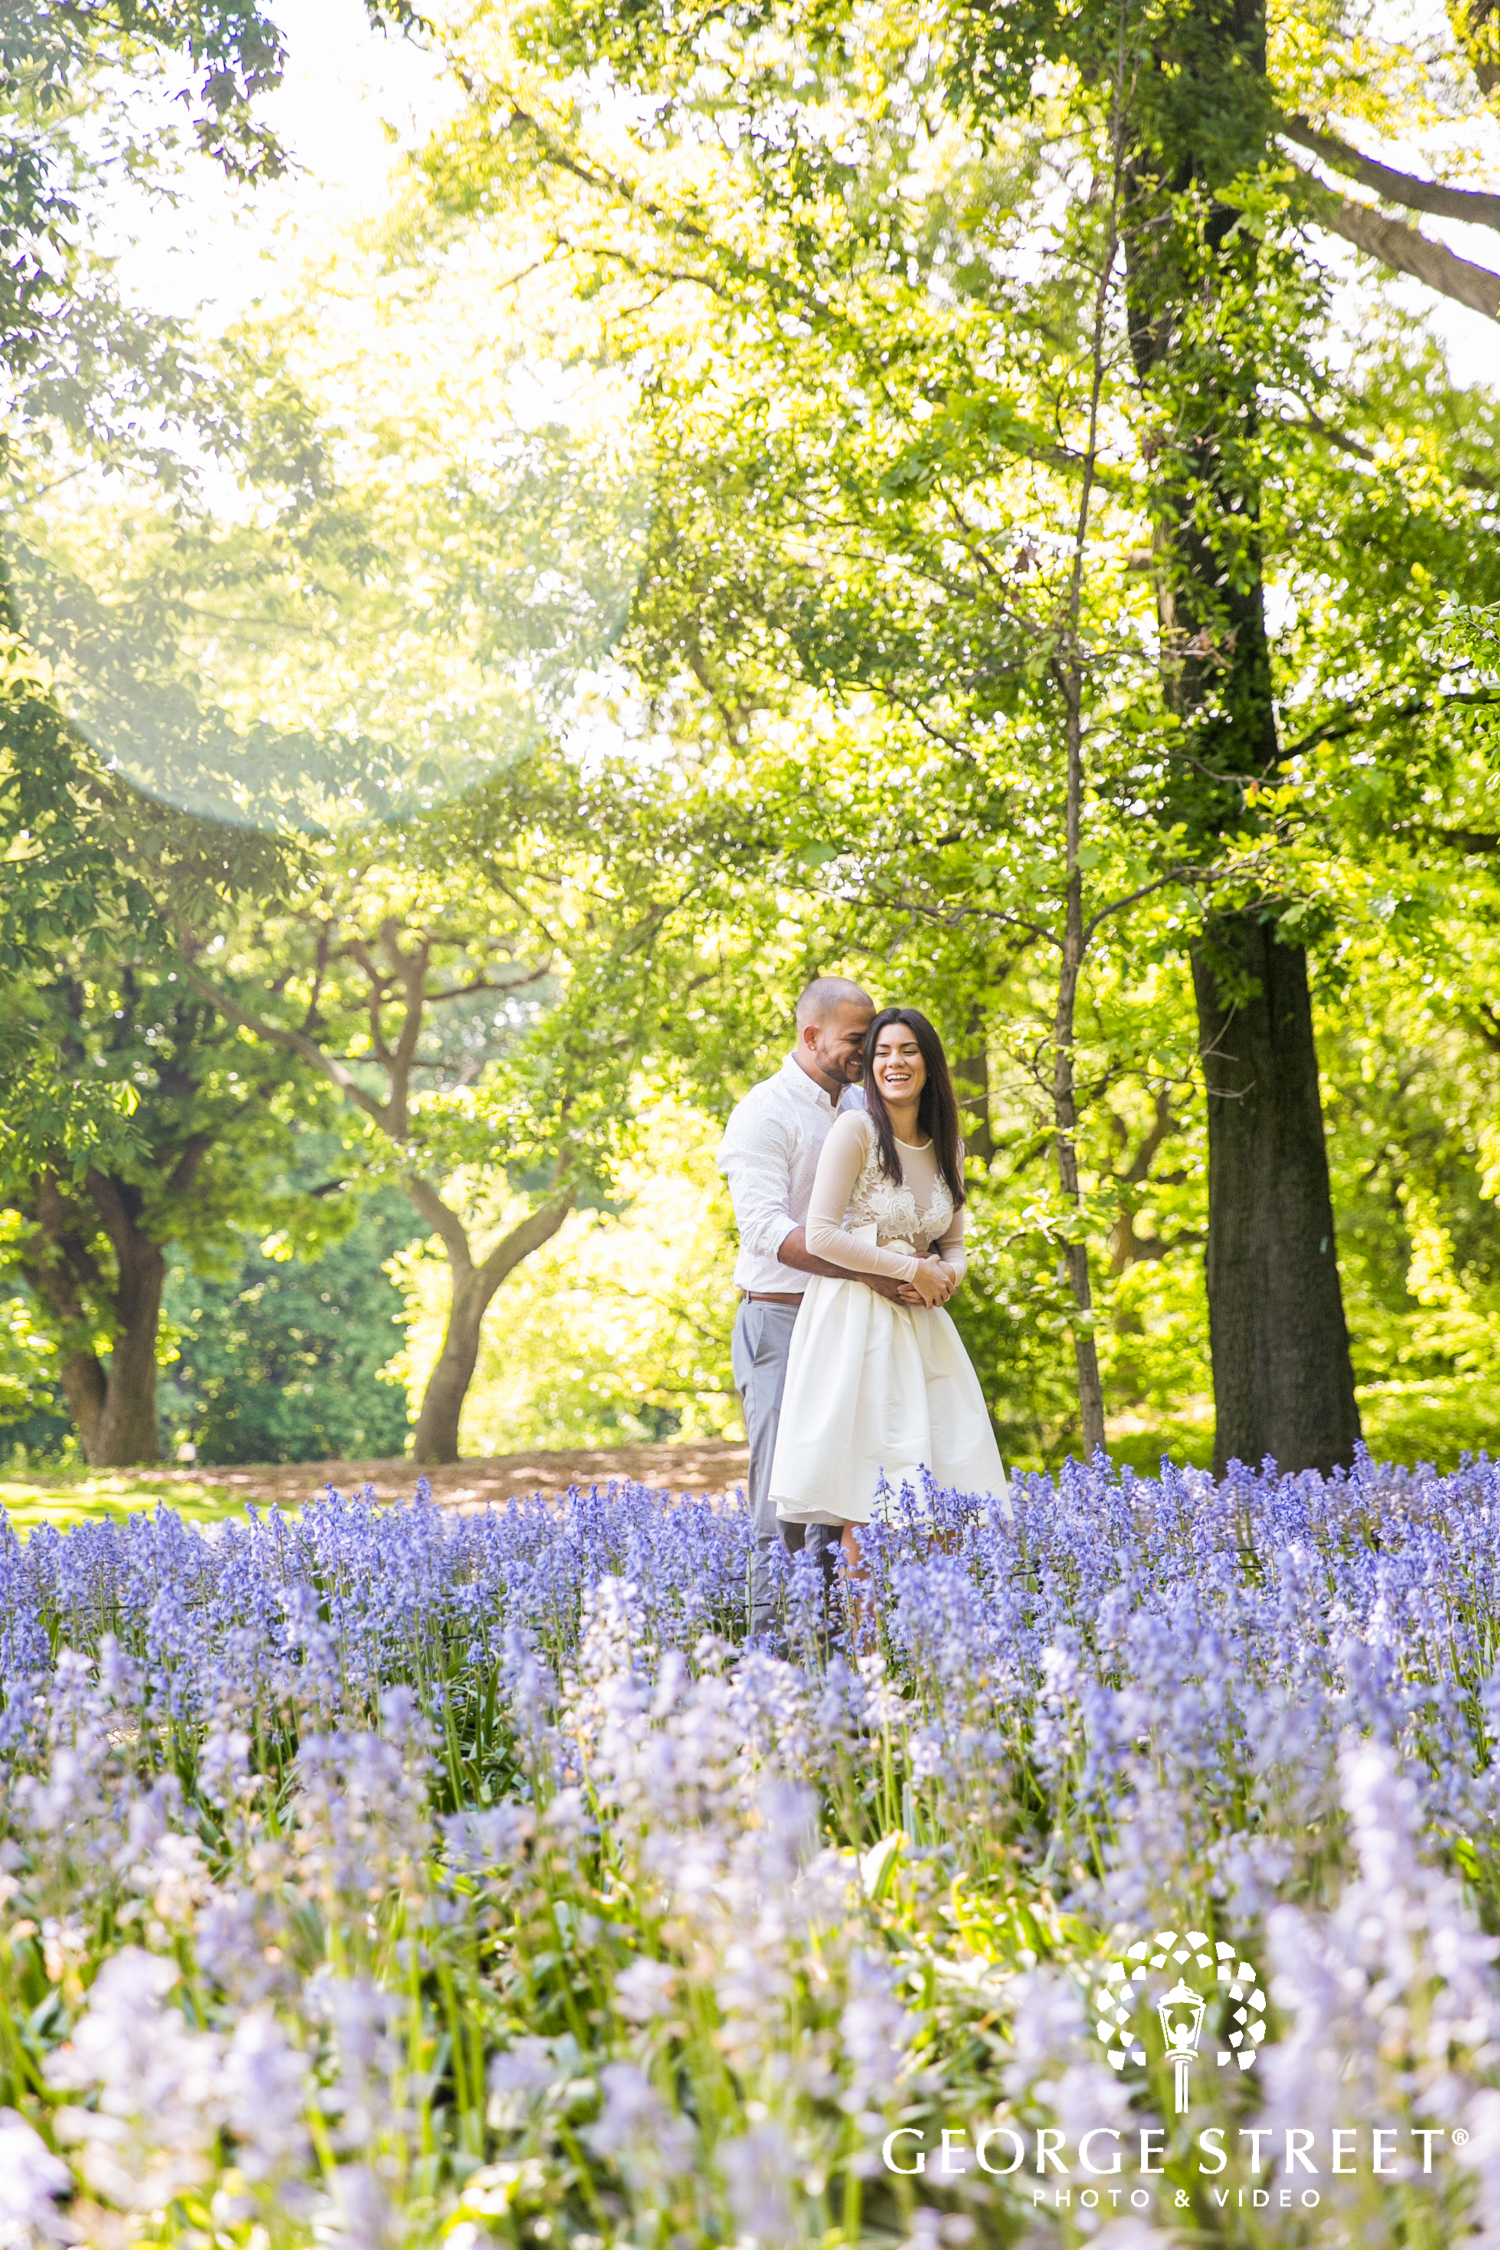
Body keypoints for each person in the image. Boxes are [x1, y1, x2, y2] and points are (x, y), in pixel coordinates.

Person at [770, 1006, 1010, 1586]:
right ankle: (866, 1660)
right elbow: (822, 1233)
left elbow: (953, 1243)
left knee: (947, 1497)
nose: (893, 1062)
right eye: (881, 1052)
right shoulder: (855, 1132)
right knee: (872, 1505)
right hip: (859, 1324)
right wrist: (911, 1268)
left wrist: (948, 1274)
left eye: (907, 1051)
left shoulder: (946, 1145)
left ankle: (927, 1647)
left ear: (929, 1064)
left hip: (925, 1328)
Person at [718, 977, 923, 1637]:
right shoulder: (764, 1112)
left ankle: (832, 1654)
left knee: (844, 1496)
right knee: (784, 1497)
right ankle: (768, 1655)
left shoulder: (865, 1107)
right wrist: (879, 1275)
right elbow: (766, 1233)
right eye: (856, 1040)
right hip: (779, 1318)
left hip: (853, 1323)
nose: (869, 1053)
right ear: (812, 1036)